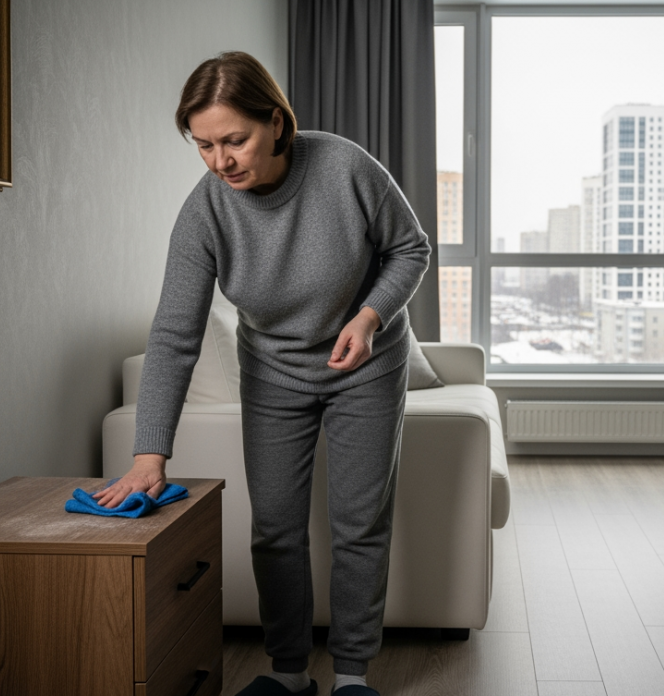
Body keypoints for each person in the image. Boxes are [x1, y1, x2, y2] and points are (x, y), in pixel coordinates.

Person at [91, 52, 430, 696]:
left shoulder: (345, 167)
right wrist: (148, 453)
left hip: (366, 364)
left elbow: (410, 247)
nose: (222, 162)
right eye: (204, 146)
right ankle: (288, 674)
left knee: (359, 524)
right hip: (274, 374)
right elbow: (173, 335)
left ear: (275, 122)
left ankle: (354, 677)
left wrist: (370, 317)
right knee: (275, 526)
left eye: (235, 140)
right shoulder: (205, 213)